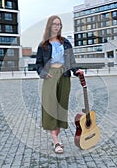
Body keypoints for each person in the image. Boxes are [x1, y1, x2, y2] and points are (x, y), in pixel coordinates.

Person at [36, 15, 83, 154]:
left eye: (59, 24)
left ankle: (56, 137)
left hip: (64, 76)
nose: (57, 26)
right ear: (49, 26)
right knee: (50, 107)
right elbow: (38, 64)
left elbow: (72, 62)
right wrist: (43, 73)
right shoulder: (43, 45)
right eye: (55, 24)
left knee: (61, 107)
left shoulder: (66, 43)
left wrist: (77, 71)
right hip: (50, 76)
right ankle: (56, 141)